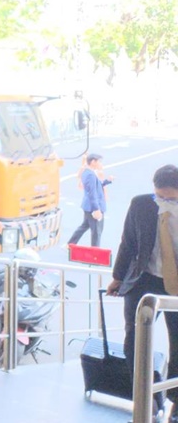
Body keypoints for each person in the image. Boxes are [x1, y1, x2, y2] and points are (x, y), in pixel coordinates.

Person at [108, 164, 178, 417]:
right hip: (144, 279)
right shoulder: (141, 204)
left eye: (171, 198)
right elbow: (127, 243)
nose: (164, 201)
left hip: (176, 285)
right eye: (160, 196)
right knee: (134, 340)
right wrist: (117, 278)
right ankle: (147, 399)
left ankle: (175, 402)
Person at [67, 153, 108, 247]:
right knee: (97, 231)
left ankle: (70, 244)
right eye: (99, 162)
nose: (100, 164)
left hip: (88, 206)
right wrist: (96, 209)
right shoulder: (90, 175)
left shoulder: (88, 173)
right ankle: (95, 251)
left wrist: (108, 181)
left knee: (84, 226)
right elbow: (92, 193)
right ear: (93, 162)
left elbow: (97, 185)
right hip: (93, 207)